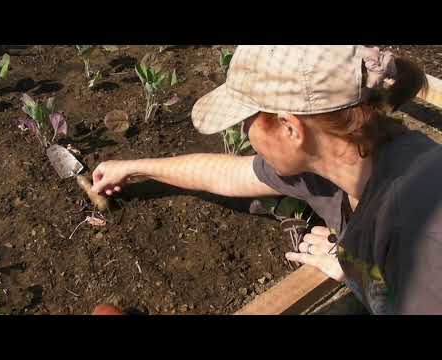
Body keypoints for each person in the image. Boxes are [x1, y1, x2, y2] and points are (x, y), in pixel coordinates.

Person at [91, 45, 442, 315]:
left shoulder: (421, 236)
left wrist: (368, 279)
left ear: (291, 128)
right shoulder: (339, 156)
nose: (242, 130)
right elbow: (227, 175)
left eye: (248, 119)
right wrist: (135, 166)